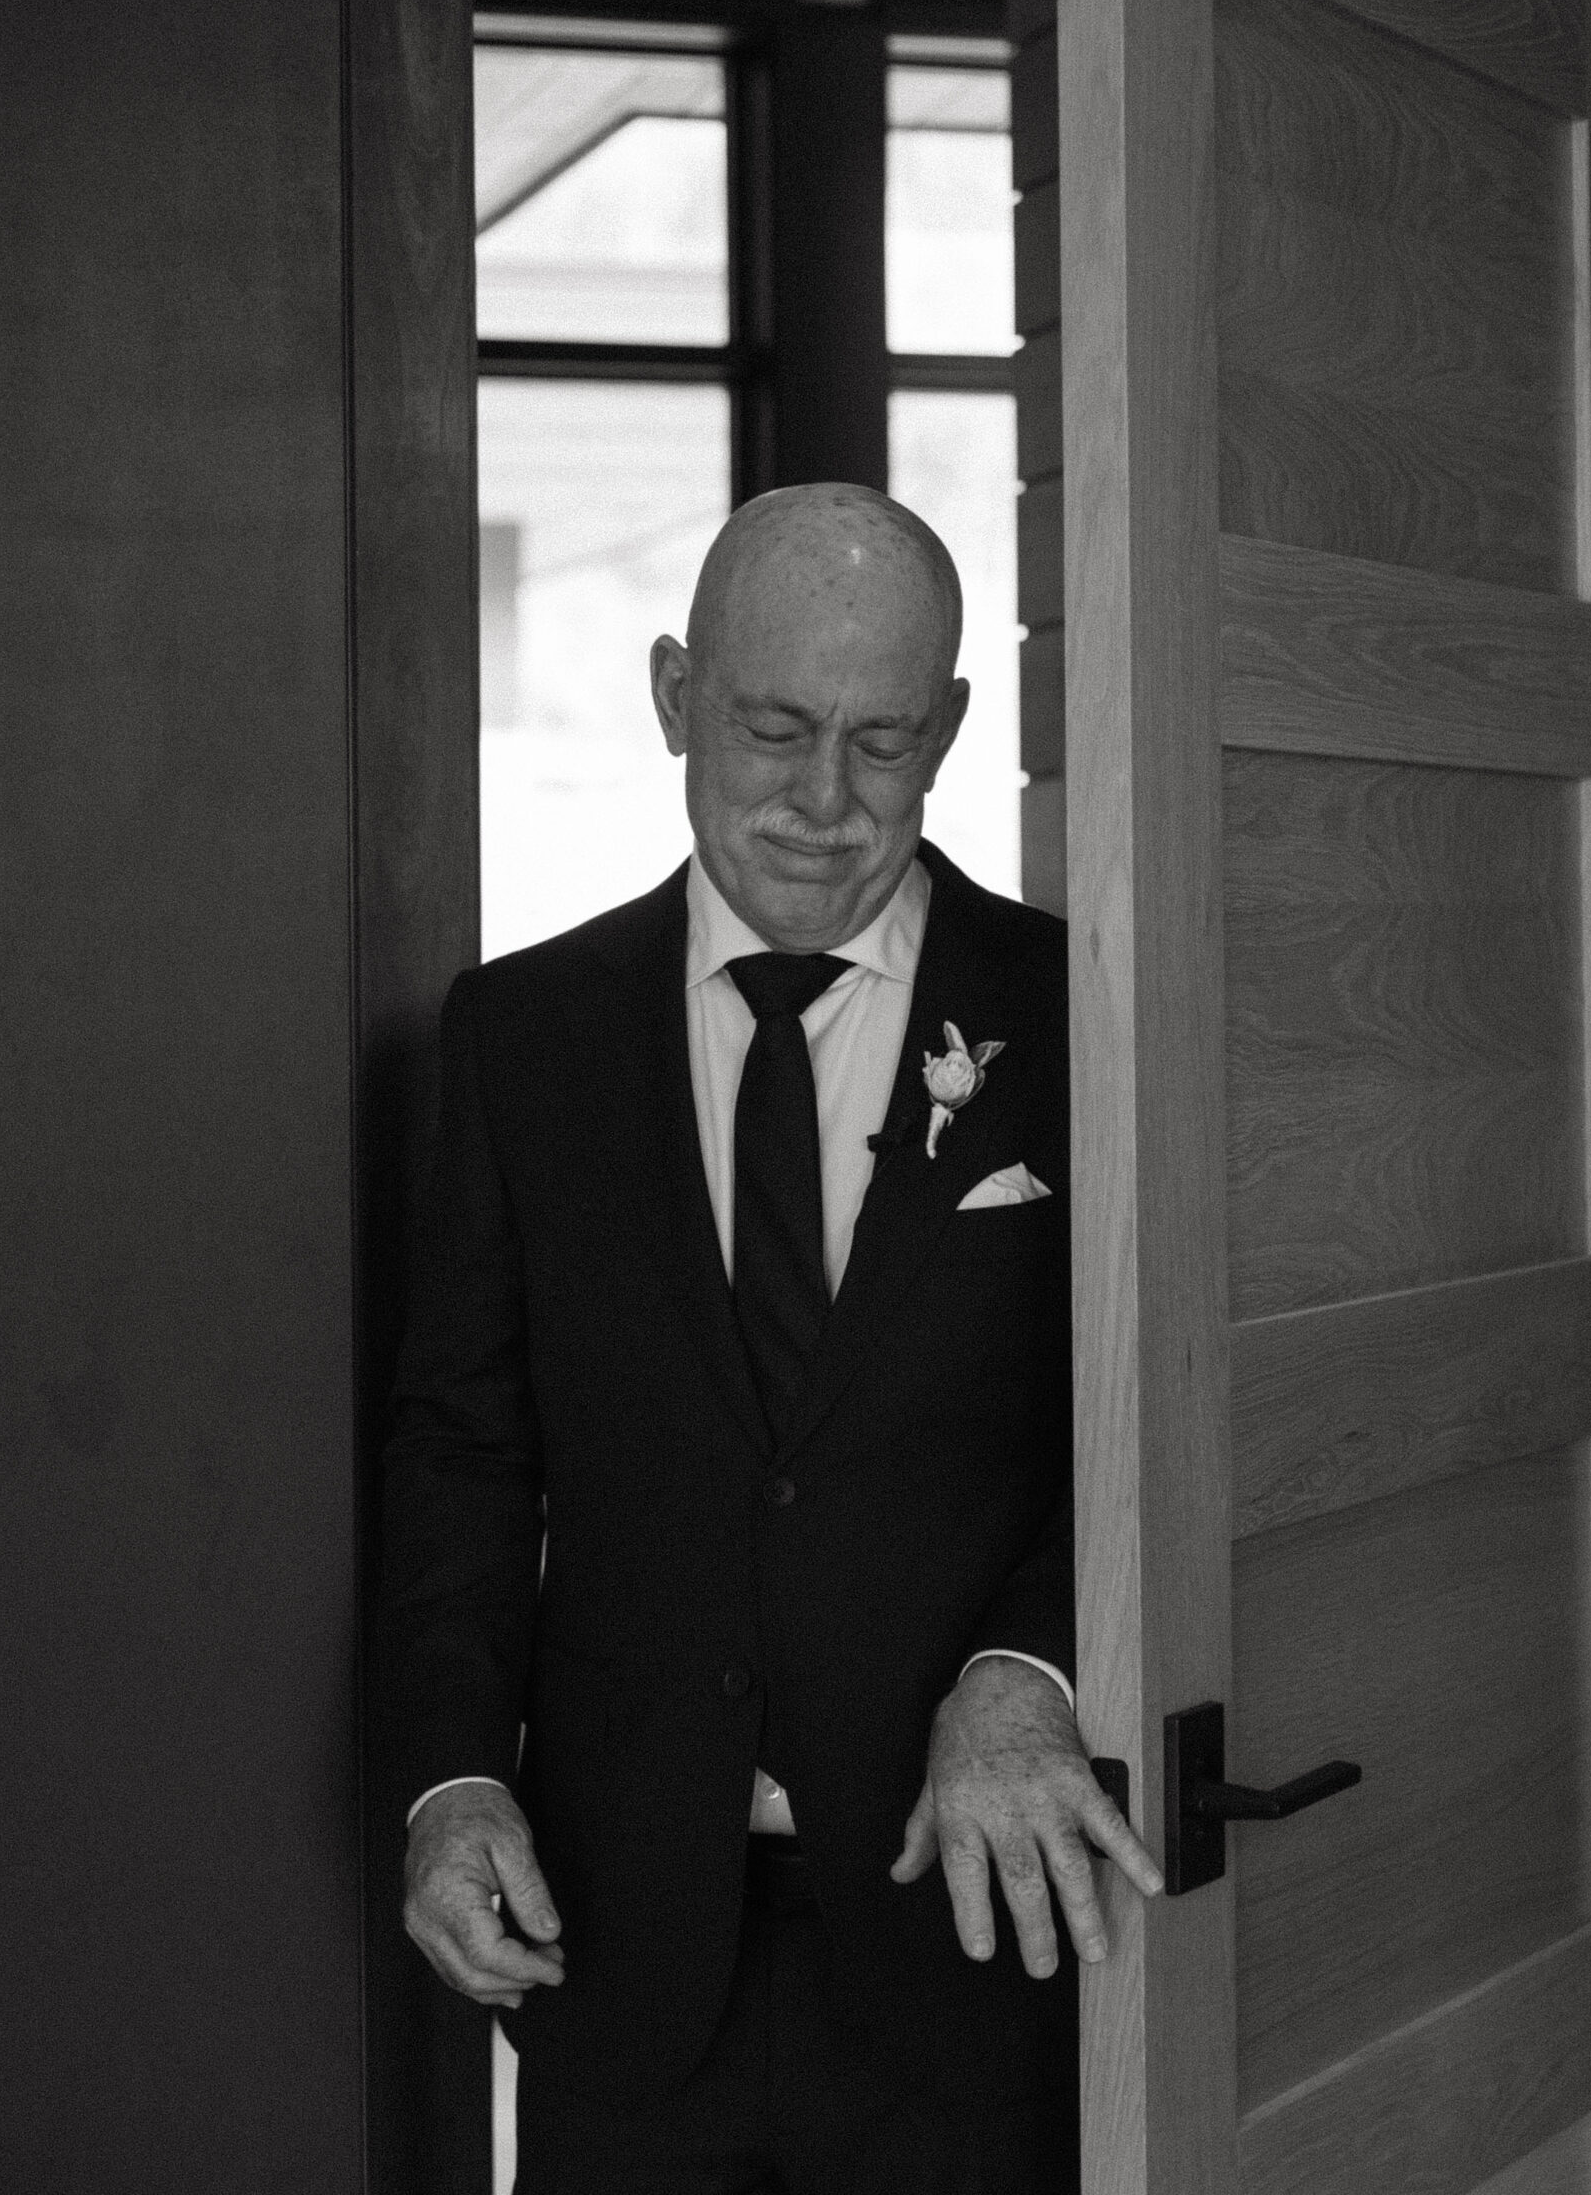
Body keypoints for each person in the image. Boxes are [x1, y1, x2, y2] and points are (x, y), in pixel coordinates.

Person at [381, 481, 1163, 2194]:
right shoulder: (523, 1036)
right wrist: (447, 1782)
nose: (823, 804)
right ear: (673, 696)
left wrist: (1025, 1673)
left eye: (883, 744)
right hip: (618, 1951)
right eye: (772, 729)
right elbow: (464, 1447)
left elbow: (1154, 1412)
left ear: (951, 727)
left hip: (972, 1949)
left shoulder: (1080, 1017)